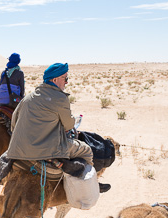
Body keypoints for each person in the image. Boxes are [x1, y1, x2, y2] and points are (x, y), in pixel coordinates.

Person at [6, 62, 109, 192]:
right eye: (65, 78)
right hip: (45, 150)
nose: (66, 82)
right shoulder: (59, 98)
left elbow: (14, 123)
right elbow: (69, 125)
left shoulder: (27, 98)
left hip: (17, 149)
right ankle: (90, 186)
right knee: (86, 150)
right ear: (55, 80)